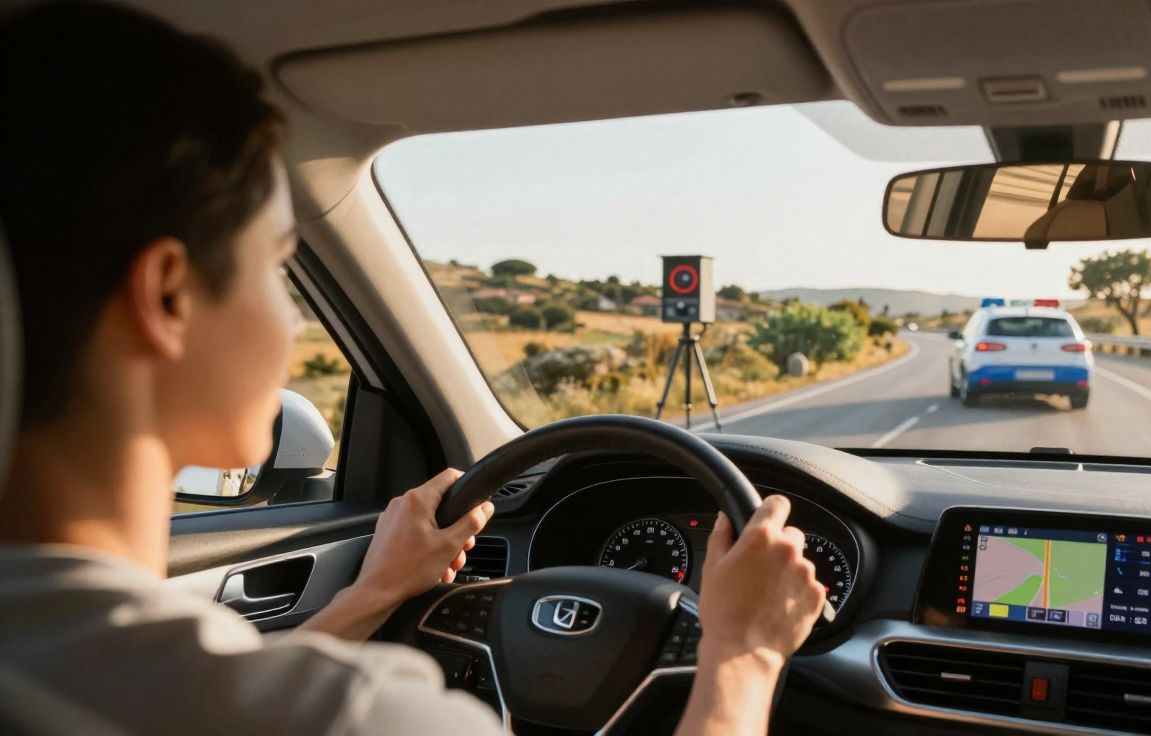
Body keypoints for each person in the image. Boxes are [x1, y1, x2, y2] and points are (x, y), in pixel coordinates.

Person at [0, 2, 827, 734]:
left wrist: (371, 594)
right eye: (280, 268)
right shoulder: (361, 714)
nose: (294, 321)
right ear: (168, 296)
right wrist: (744, 652)